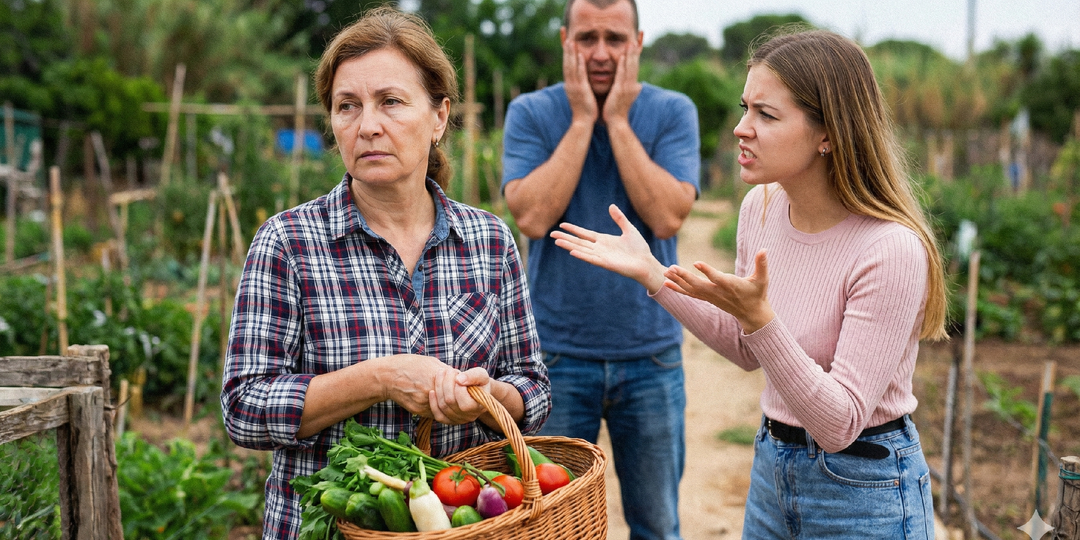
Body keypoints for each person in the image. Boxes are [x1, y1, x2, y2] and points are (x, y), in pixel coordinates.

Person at [550, 28, 948, 539]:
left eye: (766, 114)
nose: (741, 128)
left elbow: (838, 424)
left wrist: (762, 318)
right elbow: (746, 347)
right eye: (745, 108)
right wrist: (655, 275)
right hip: (772, 470)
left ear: (828, 133)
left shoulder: (889, 250)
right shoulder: (760, 209)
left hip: (864, 487)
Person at [220, 7, 550, 539]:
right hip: (326, 529)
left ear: (439, 117)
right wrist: (380, 379)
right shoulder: (289, 243)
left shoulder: (489, 241)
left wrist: (488, 397)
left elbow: (532, 390)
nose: (367, 125)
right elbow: (244, 406)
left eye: (391, 102)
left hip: (462, 526)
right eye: (347, 106)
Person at [500, 0, 700, 538]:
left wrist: (615, 120)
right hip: (555, 358)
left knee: (656, 524)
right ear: (566, 41)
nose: (601, 52)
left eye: (615, 38)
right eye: (587, 38)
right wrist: (584, 118)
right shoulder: (532, 112)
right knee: (550, 524)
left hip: (650, 355)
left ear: (638, 42)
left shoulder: (672, 110)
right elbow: (533, 216)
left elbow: (665, 216)